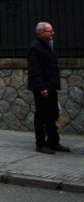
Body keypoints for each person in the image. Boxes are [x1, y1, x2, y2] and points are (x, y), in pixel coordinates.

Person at [27, 22, 69, 154]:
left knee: (52, 113)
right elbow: (34, 70)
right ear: (42, 33)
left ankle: (53, 141)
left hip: (51, 85)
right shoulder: (36, 47)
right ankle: (41, 143)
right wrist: (41, 88)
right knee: (41, 115)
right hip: (43, 87)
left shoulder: (48, 45)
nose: (53, 33)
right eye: (50, 31)